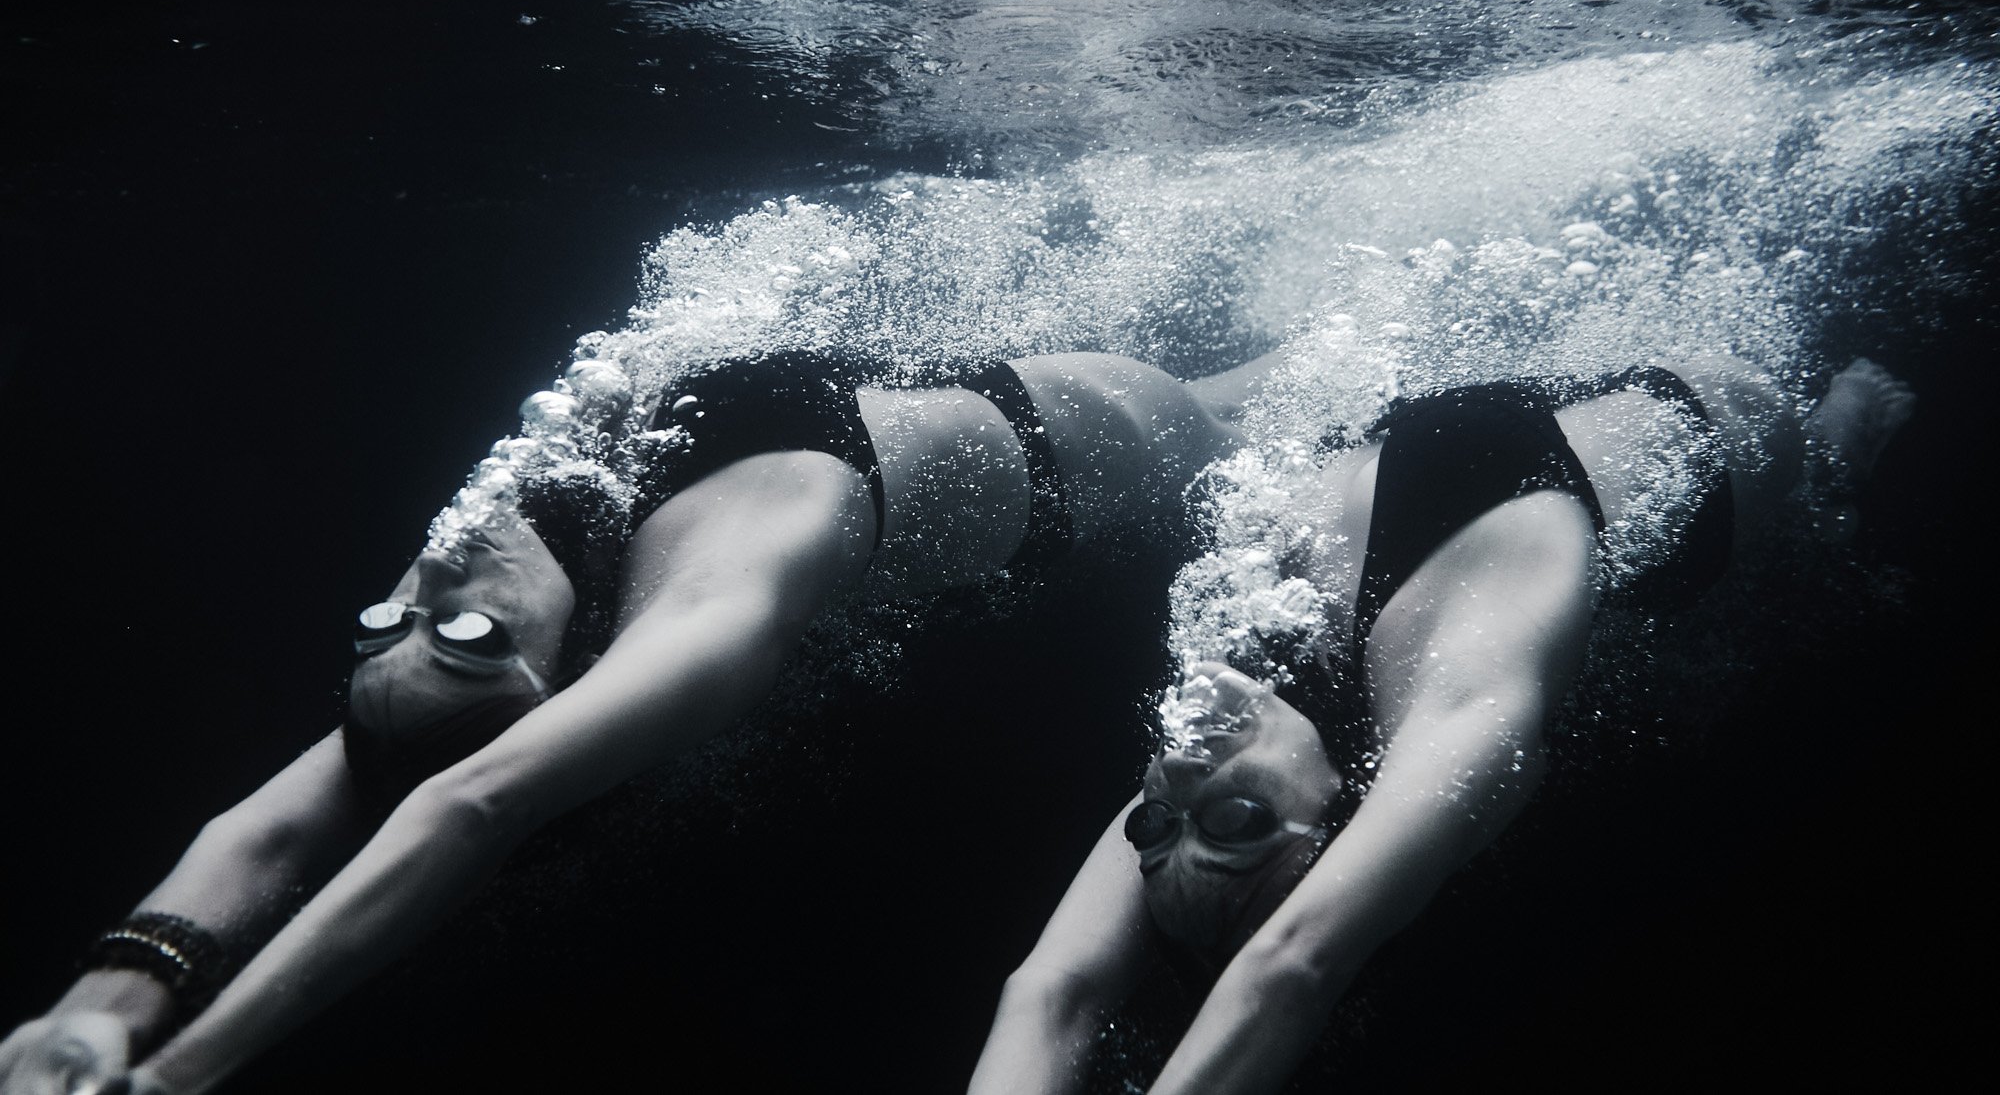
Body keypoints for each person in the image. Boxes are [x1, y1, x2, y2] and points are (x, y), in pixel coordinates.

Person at [0, 347, 1281, 1095]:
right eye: (467, 641)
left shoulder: (532, 530)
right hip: (1092, 447)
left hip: (908, 387)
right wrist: (189, 1071)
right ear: (559, 682)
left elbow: (257, 834)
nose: (432, 591)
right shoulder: (704, 613)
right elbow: (469, 805)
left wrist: (105, 1009)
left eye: (386, 625)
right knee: (1246, 420)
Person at [968, 356, 1916, 1095]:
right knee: (1807, 455)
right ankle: (1847, 458)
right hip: (1696, 433)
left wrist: (1182, 828)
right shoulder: (1464, 703)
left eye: (1154, 827)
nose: (1177, 779)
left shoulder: (1226, 736)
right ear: (1343, 819)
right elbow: (1295, 961)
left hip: (1457, 411)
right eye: (1230, 823)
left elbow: (1051, 992)